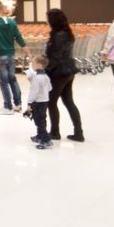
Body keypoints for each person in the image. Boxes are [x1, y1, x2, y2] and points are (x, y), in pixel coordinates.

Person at [45, 8, 84, 142]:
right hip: (68, 71)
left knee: (51, 102)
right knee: (68, 101)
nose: (46, 21)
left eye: (48, 18)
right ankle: (78, 132)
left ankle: (54, 132)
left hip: (59, 73)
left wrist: (45, 70)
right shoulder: (67, 33)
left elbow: (55, 57)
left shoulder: (58, 36)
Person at [0, 1, 27, 115]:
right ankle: (18, 104)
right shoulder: (12, 22)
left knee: (3, 82)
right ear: (3, 9)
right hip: (11, 55)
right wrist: (28, 52)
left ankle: (8, 107)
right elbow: (19, 38)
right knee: (13, 79)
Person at [24, 54, 53, 149]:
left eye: (33, 64)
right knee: (42, 120)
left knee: (39, 122)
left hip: (37, 102)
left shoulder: (36, 78)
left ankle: (46, 140)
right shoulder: (46, 76)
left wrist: (29, 103)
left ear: (39, 65)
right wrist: (43, 92)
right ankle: (39, 136)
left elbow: (33, 92)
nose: (32, 65)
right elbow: (50, 88)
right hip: (45, 101)